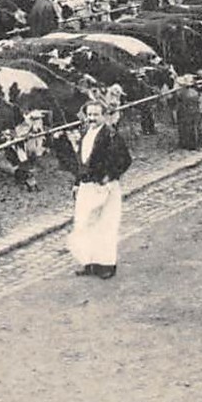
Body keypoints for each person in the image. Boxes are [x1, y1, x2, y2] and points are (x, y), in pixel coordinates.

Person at [68, 100, 132, 279]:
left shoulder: (111, 135)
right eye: (89, 115)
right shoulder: (85, 133)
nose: (92, 118)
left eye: (96, 115)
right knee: (85, 223)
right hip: (87, 186)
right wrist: (77, 182)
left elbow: (125, 160)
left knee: (106, 224)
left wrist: (109, 177)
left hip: (105, 187)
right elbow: (82, 162)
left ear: (104, 116)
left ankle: (107, 264)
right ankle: (89, 262)